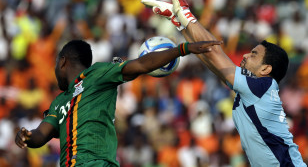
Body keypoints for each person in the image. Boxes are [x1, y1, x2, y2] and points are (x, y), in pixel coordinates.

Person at [142, 0, 307, 167]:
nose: (245, 55)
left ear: (265, 69)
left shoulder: (262, 86)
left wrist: (185, 13)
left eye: (253, 54)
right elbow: (209, 57)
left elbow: (214, 51)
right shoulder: (254, 90)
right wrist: (179, 23)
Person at [15, 39, 222, 167]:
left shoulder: (97, 74)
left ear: (62, 61)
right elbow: (42, 134)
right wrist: (28, 136)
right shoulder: (58, 102)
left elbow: (140, 64)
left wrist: (182, 49)